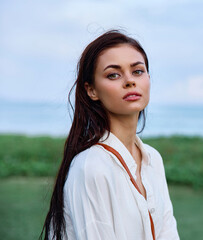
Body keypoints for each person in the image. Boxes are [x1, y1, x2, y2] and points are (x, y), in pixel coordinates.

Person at [41, 30, 180, 240]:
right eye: (113, 74)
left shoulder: (153, 159)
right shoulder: (91, 166)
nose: (129, 81)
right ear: (91, 90)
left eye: (138, 71)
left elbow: (168, 233)